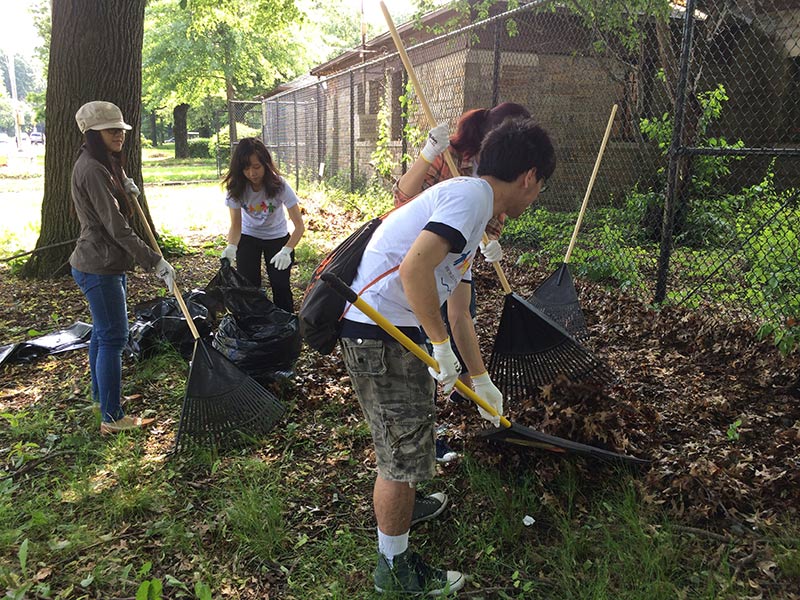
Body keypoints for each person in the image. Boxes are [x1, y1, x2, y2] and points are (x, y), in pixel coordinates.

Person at [340, 117, 556, 595]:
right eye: (539, 188)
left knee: (408, 441)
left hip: (395, 330)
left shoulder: (476, 213)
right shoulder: (470, 197)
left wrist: (481, 381)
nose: (535, 198)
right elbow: (416, 270)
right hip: (378, 332)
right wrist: (438, 345)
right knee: (403, 455)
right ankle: (393, 571)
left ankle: (402, 506)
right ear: (529, 177)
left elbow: (460, 314)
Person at [394, 102, 531, 459]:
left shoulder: (496, 182)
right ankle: (425, 435)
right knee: (425, 344)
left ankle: (463, 386)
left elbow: (460, 314)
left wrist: (490, 239)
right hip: (417, 264)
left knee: (458, 320)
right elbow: (403, 198)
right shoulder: (454, 163)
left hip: (456, 257)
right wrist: (427, 155)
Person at [70, 101, 175, 435]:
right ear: (92, 134)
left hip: (102, 263)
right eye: (110, 130)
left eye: (120, 129)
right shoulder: (92, 169)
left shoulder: (102, 164)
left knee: (103, 335)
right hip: (98, 266)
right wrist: (155, 261)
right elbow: (116, 228)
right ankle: (112, 417)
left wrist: (128, 192)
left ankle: (102, 398)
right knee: (115, 337)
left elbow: (116, 212)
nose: (119, 135)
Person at [220, 138, 305, 313]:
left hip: (277, 239)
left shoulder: (280, 185)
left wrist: (287, 250)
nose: (252, 173)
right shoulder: (235, 188)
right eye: (246, 168)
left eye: (256, 167)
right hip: (248, 237)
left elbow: (299, 226)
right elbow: (236, 225)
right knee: (249, 286)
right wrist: (231, 247)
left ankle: (286, 324)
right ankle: (255, 325)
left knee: (280, 284)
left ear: (266, 164)